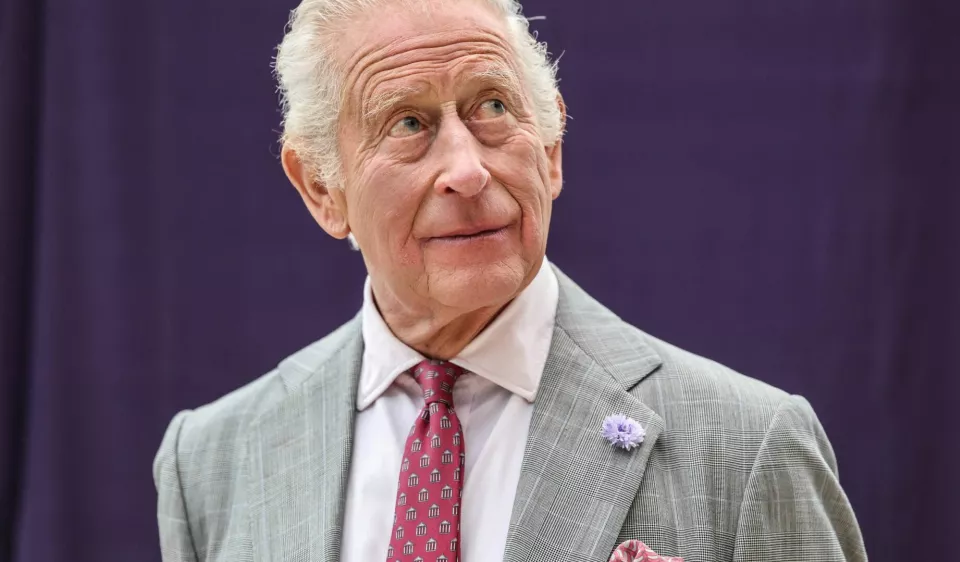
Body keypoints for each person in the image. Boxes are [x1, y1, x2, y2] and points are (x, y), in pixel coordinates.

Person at [153, 0, 868, 560]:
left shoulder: (746, 448)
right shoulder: (212, 462)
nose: (467, 170)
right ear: (320, 188)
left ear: (551, 147)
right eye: (407, 124)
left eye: (492, 107)